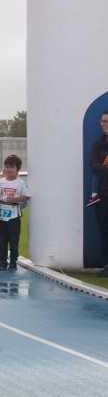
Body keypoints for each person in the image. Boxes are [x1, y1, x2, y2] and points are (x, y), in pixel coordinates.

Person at [0, 154, 31, 271]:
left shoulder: (20, 183)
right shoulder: (1, 182)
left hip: (14, 214)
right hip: (2, 213)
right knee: (2, 240)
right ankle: (3, 261)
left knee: (13, 240)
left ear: (17, 169)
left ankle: (13, 261)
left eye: (11, 167)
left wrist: (15, 199)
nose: (8, 169)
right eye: (7, 167)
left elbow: (26, 196)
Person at [89, 111, 108, 276]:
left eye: (106, 121)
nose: (102, 124)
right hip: (103, 194)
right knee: (104, 229)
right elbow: (93, 164)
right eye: (102, 121)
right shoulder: (98, 143)